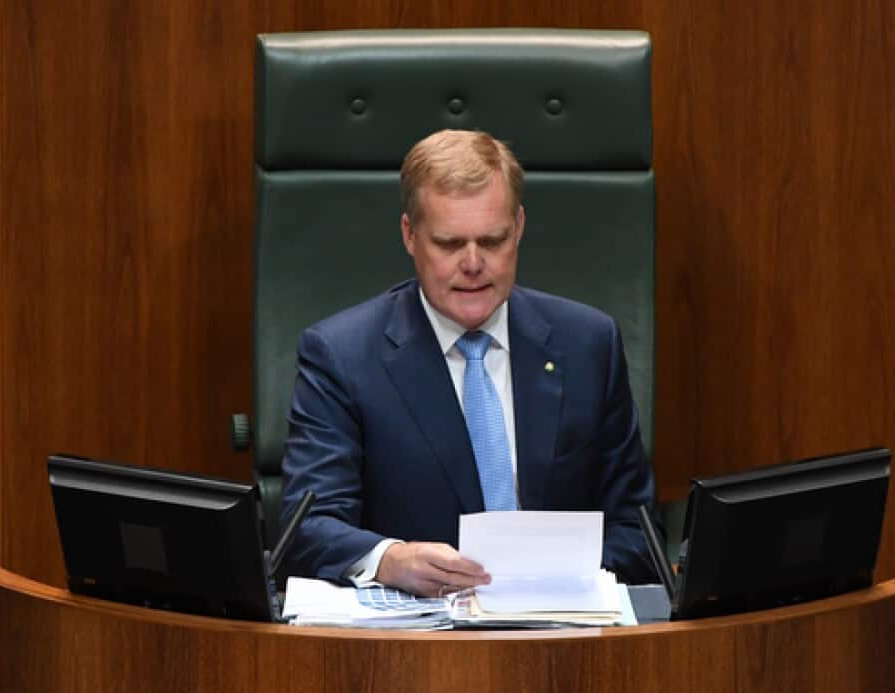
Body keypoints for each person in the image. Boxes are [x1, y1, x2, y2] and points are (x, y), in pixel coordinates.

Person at [280, 129, 657, 596]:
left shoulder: (588, 344)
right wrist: (390, 559)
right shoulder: (341, 356)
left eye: (492, 240)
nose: (474, 263)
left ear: (518, 227)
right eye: (450, 243)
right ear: (410, 236)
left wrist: (547, 572)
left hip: (565, 632)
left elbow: (637, 532)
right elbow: (309, 527)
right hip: (414, 646)